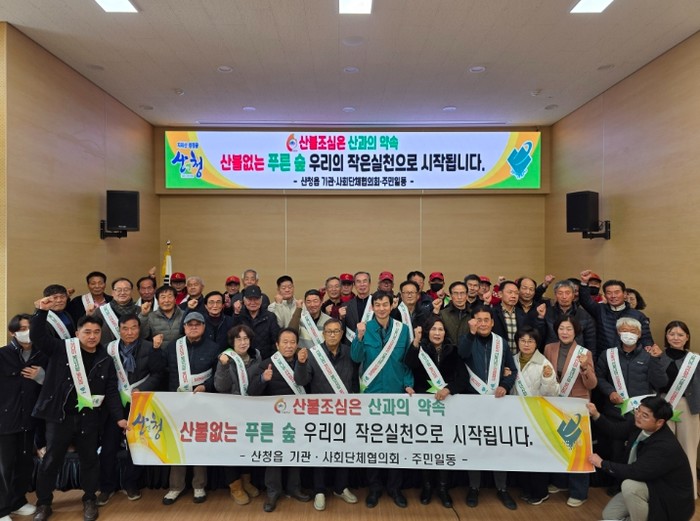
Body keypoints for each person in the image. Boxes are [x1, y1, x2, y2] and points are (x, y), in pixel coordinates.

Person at [30, 298, 126, 521]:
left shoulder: (105, 358)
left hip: (89, 418)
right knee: (51, 460)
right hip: (59, 416)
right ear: (77, 333)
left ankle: (89, 498)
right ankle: (44, 503)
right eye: (87, 332)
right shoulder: (62, 348)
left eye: (96, 332)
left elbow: (111, 391)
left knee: (90, 460)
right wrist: (41, 312)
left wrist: (119, 418)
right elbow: (38, 337)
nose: (92, 336)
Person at [351, 291, 414, 509]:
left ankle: (395, 488)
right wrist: (359, 337)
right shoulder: (364, 328)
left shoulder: (402, 330)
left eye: (385, 304)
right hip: (371, 394)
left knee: (395, 442)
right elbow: (356, 357)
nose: (381, 308)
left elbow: (407, 361)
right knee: (373, 442)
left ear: (391, 305)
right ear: (373, 307)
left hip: (395, 393)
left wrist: (408, 383)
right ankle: (375, 487)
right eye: (377, 305)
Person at [588, 396, 695, 521]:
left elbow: (635, 471)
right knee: (609, 516)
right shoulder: (639, 424)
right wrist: (595, 414)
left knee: (629, 486)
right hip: (649, 485)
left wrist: (602, 463)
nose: (638, 416)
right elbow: (615, 430)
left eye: (645, 415)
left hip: (669, 500)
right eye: (638, 410)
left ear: (659, 422)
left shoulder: (664, 446)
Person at [97, 314, 165, 505]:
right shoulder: (108, 349)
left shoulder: (150, 347)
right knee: (108, 447)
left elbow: (158, 373)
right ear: (119, 330)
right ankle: (106, 487)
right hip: (113, 404)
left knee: (137, 446)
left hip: (140, 403)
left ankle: (131, 484)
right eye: (125, 328)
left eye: (134, 327)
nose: (129, 332)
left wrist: (141, 389)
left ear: (139, 329)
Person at [457, 305, 518, 510]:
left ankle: (502, 488)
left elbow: (512, 370)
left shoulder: (501, 343)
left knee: (498, 446)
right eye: (478, 320)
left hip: (496, 404)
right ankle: (474, 487)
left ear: (492, 323)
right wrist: (471, 334)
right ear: (472, 322)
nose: (482, 324)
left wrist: (505, 386)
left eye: (486, 320)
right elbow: (462, 355)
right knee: (475, 445)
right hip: (472, 402)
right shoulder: (466, 339)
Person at [595, 317, 666, 493]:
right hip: (615, 412)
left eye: (633, 331)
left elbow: (661, 382)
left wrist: (656, 360)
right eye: (625, 331)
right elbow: (599, 378)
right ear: (618, 333)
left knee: (635, 452)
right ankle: (615, 484)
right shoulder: (608, 355)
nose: (629, 335)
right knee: (615, 450)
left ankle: (633, 485)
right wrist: (610, 391)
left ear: (640, 334)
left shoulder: (648, 356)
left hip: (639, 415)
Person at [294, 319, 359, 511]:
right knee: (320, 451)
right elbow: (301, 380)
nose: (332, 334)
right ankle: (320, 490)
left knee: (344, 451)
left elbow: (355, 379)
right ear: (323, 334)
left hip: (345, 411)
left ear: (341, 334)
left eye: (336, 331)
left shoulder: (350, 352)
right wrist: (301, 363)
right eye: (329, 331)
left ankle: (341, 487)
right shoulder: (314, 354)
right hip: (320, 413)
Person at [404, 316, 467, 508]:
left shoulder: (453, 351)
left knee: (444, 447)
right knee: (426, 447)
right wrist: (416, 341)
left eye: (440, 329)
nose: (437, 333)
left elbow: (463, 378)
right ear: (427, 332)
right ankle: (427, 486)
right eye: (433, 329)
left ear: (445, 332)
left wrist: (449, 389)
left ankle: (442, 488)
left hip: (447, 407)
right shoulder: (420, 350)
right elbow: (409, 363)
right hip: (424, 409)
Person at [248, 329, 312, 512]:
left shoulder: (303, 361)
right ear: (277, 345)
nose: (289, 346)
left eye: (292, 342)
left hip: (298, 418)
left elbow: (303, 382)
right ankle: (273, 491)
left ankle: (294, 488)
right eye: (285, 342)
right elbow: (252, 392)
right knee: (274, 456)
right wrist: (262, 379)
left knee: (296, 454)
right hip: (274, 420)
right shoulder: (267, 364)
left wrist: (301, 364)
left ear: (297, 344)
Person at [162, 312, 221, 506]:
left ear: (204, 327)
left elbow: (218, 375)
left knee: (198, 442)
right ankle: (175, 486)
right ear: (184, 327)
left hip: (203, 402)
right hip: (178, 403)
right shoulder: (173, 347)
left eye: (197, 324)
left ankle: (199, 485)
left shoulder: (213, 348)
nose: (193, 327)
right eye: (190, 324)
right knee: (178, 442)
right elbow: (166, 373)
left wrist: (206, 386)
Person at [543, 316, 597, 507]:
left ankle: (579, 492)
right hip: (556, 403)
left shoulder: (584, 353)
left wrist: (584, 367)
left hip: (576, 405)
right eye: (561, 328)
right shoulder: (549, 348)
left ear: (576, 332)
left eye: (569, 329)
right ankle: (560, 482)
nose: (564, 332)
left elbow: (592, 384)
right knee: (558, 444)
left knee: (578, 448)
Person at [0, 314, 48, 521]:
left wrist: (42, 376)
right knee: (4, 466)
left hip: (29, 420)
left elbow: (51, 387)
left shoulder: (42, 355)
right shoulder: (3, 355)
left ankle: (17, 501)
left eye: (30, 328)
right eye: (22, 329)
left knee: (24, 463)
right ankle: (2, 509)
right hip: (5, 420)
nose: (27, 332)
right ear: (13, 332)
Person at [510, 326, 559, 505]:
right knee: (522, 454)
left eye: (530, 341)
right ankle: (526, 489)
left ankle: (540, 492)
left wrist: (547, 379)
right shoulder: (512, 361)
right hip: (516, 415)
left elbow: (552, 394)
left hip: (537, 417)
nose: (526, 344)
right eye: (522, 340)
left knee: (536, 454)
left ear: (536, 343)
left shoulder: (544, 363)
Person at [214, 325, 262, 505]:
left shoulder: (256, 357)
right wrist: (224, 366)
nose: (243, 343)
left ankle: (246, 482)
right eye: (239, 339)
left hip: (250, 412)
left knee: (246, 447)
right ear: (232, 342)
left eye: (246, 339)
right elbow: (220, 387)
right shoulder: (225, 358)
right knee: (231, 450)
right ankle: (235, 486)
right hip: (230, 413)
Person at [658, 320, 700, 498]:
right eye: (672, 334)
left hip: (688, 406)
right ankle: (663, 490)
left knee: (688, 449)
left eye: (680, 334)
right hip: (662, 404)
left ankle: (689, 492)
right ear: (666, 336)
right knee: (663, 449)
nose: (676, 338)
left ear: (687, 337)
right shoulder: (658, 356)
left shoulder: (695, 360)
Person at [579, 270, 653, 358]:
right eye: (609, 293)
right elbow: (585, 301)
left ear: (624, 294)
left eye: (617, 292)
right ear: (605, 295)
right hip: (604, 357)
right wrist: (584, 283)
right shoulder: (600, 309)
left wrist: (648, 347)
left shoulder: (638, 315)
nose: (613, 296)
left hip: (630, 358)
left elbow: (646, 338)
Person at [538, 279, 596, 353]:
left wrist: (590, 358)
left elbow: (590, 343)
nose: (564, 297)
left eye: (567, 293)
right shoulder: (547, 313)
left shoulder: (584, 315)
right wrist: (540, 318)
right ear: (555, 295)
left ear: (573, 295)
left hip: (576, 356)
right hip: (551, 354)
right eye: (560, 293)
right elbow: (540, 336)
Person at [232, 285, 280, 359]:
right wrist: (236, 314)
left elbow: (275, 341)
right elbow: (233, 338)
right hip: (244, 360)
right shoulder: (239, 315)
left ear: (261, 299)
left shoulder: (270, 316)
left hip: (266, 360)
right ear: (244, 300)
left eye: (256, 299)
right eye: (249, 299)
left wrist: (271, 360)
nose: (253, 302)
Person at [94, 278, 139, 345]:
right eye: (119, 290)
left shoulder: (140, 311)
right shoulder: (100, 312)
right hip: (108, 349)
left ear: (131, 291)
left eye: (126, 290)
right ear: (112, 292)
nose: (122, 293)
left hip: (136, 349)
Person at [342, 272, 373, 343]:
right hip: (351, 345)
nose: (362, 284)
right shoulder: (346, 306)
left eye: (365, 281)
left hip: (372, 345)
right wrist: (341, 318)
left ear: (369, 284)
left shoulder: (377, 304)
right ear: (354, 285)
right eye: (358, 282)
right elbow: (341, 331)